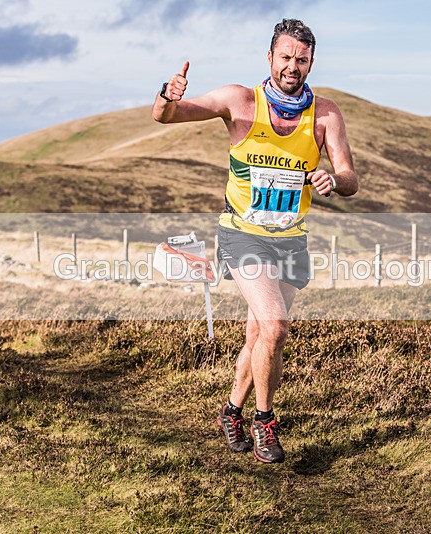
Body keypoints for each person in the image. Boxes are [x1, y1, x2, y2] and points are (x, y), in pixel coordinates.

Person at [152, 19, 358, 463]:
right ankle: (266, 423)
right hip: (242, 234)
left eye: (301, 59)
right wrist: (168, 94)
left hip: (291, 239)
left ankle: (231, 412)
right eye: (285, 57)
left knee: (257, 335)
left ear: (311, 63)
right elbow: (167, 116)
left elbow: (350, 177)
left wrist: (333, 179)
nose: (292, 66)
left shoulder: (324, 114)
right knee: (276, 327)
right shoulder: (240, 102)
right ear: (269, 58)